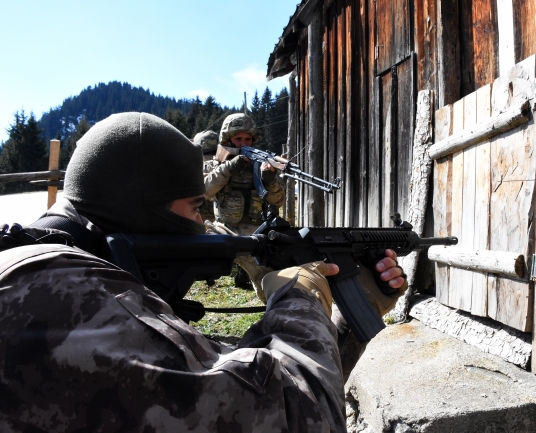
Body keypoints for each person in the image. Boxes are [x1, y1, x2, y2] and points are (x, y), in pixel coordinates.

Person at [0, 112, 407, 432]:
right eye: (194, 208)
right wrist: (302, 296)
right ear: (144, 212)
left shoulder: (47, 276)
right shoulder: (75, 299)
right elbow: (292, 417)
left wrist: (346, 322)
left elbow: (217, 375)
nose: (199, 225)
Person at [197, 113, 285, 296]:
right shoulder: (215, 165)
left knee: (269, 280)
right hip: (223, 229)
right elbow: (205, 191)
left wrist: (269, 179)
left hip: (256, 233)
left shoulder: (259, 165)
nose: (243, 143)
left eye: (247, 139)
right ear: (227, 139)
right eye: (238, 139)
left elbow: (278, 201)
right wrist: (228, 168)